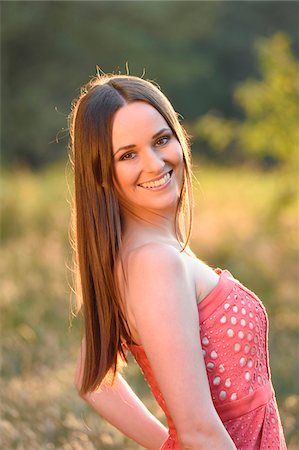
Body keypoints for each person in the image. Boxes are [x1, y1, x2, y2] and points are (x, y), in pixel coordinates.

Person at [69, 73, 286, 449]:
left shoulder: (142, 255)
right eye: (128, 155)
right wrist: (183, 439)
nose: (155, 164)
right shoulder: (155, 264)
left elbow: (91, 381)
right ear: (101, 172)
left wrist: (168, 443)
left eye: (161, 140)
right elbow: (199, 429)